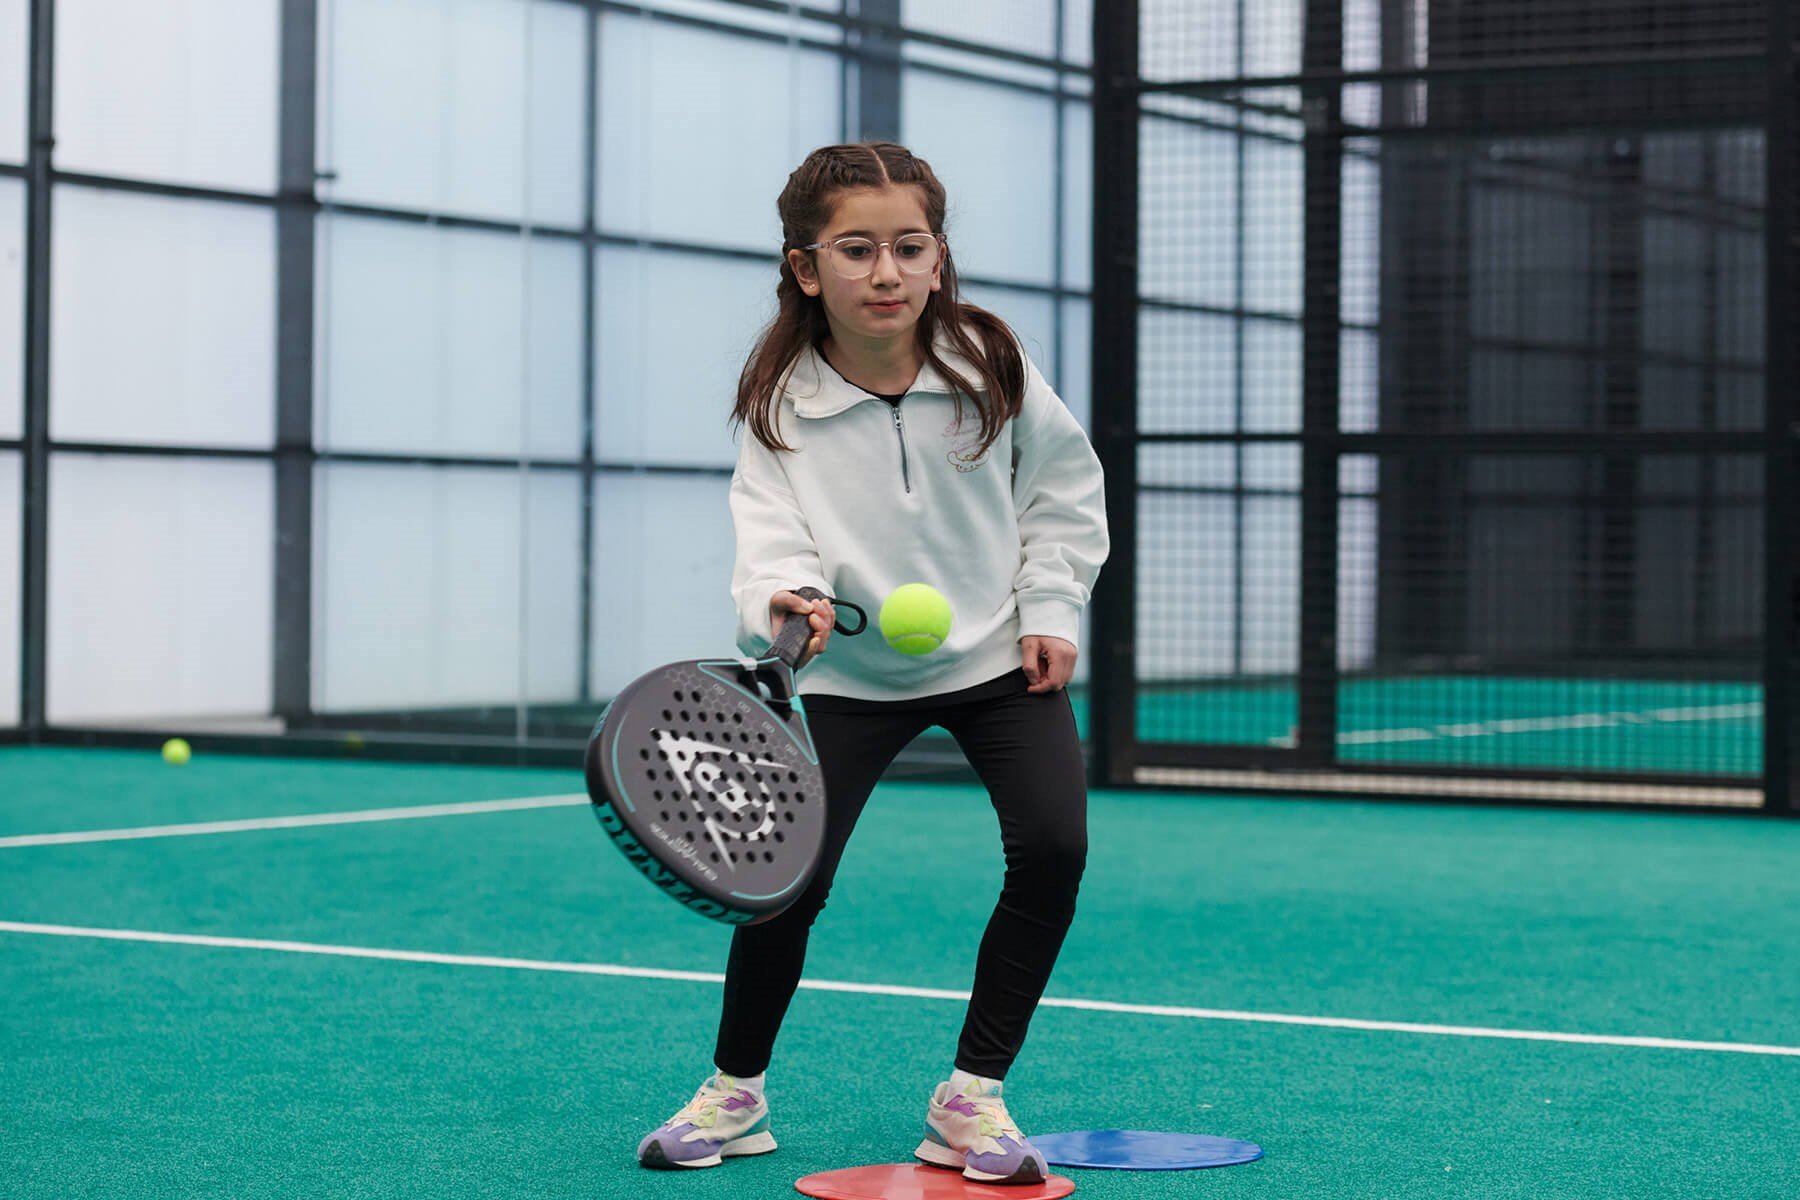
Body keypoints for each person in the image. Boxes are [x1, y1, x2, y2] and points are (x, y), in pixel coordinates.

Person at [636, 141, 1108, 1186]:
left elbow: (1061, 495)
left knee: (1055, 847)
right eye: (857, 250)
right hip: (847, 673)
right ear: (809, 269)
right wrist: (784, 600)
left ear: (939, 258)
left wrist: (1052, 606)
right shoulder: (777, 402)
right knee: (784, 887)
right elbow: (769, 530)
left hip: (996, 658)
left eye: (910, 247)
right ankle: (737, 1094)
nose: (886, 272)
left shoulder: (995, 364)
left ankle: (971, 1098)